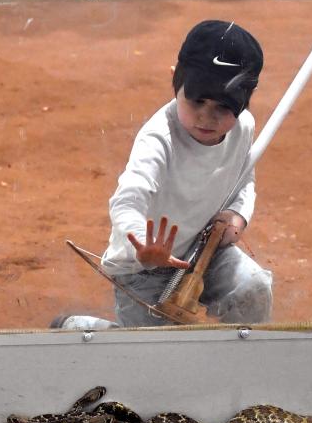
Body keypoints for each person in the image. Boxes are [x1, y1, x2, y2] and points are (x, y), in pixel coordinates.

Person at [90, 19, 273, 328]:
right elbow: (127, 200)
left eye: (224, 107)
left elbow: (244, 179)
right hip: (143, 269)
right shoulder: (159, 138)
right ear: (175, 80)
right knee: (154, 354)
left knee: (253, 289)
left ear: (244, 103)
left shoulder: (244, 127)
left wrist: (236, 215)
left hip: (205, 250)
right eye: (197, 100)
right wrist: (142, 247)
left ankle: (246, 360)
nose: (207, 116)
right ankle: (82, 327)